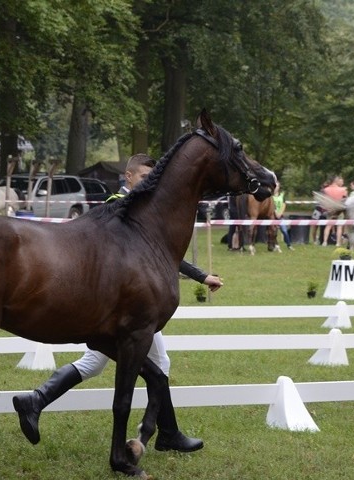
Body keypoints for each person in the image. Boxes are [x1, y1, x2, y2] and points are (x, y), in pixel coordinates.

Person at [12, 153, 224, 454]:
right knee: (142, 364)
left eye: (152, 179)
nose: (148, 184)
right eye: (143, 178)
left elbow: (158, 255)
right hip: (120, 302)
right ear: (128, 177)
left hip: (133, 300)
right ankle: (166, 433)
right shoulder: (118, 204)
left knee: (106, 363)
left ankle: (37, 400)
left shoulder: (142, 210)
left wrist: (200, 275)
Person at [321, 176, 347, 246]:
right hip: (339, 209)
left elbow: (323, 200)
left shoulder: (326, 189)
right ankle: (338, 243)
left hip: (330, 209)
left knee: (328, 226)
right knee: (339, 226)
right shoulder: (343, 190)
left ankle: (325, 242)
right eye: (340, 181)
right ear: (336, 181)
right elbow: (345, 200)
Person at [271, 181, 292, 250]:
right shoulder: (270, 196)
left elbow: (284, 204)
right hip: (273, 216)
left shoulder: (282, 195)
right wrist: (275, 212)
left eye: (277, 186)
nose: (275, 187)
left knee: (284, 231)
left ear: (279, 187)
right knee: (273, 232)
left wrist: (280, 213)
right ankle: (274, 245)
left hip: (280, 216)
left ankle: (289, 245)